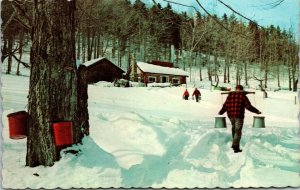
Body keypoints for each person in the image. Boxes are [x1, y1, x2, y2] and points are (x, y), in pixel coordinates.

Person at [218, 85, 262, 153]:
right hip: (239, 116)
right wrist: (257, 111)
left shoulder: (230, 96)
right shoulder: (243, 96)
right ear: (242, 90)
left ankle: (236, 148)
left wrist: (221, 112)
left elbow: (225, 105)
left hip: (231, 115)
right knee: (238, 131)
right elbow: (248, 106)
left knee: (234, 130)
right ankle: (234, 146)